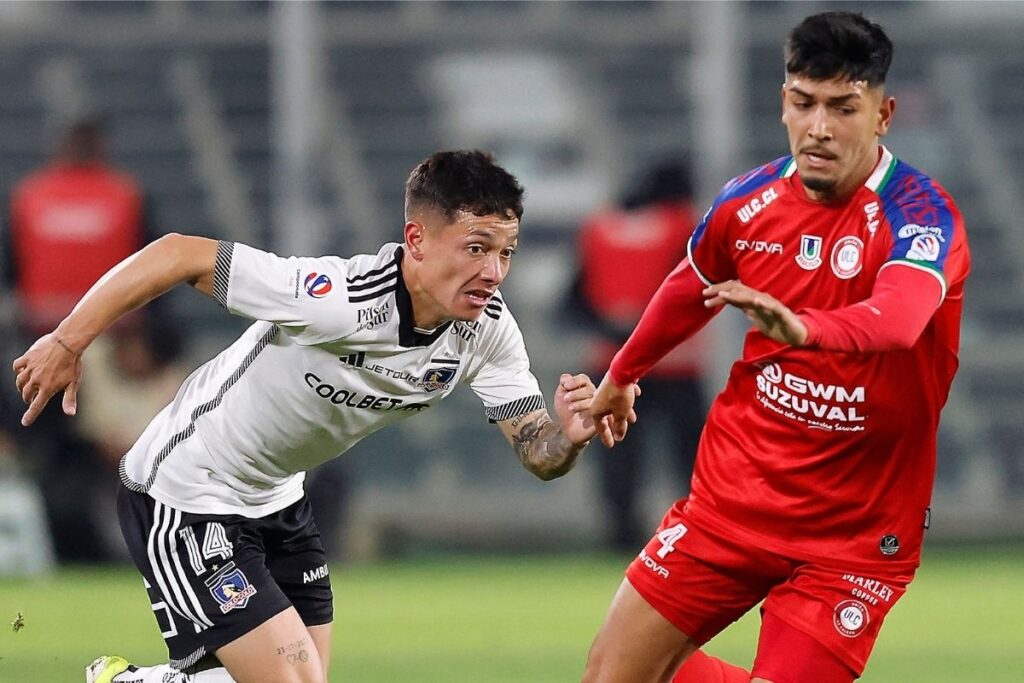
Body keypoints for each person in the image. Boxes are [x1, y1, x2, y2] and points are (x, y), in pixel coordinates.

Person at [13, 150, 617, 683]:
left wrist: (569, 436)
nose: (493, 272)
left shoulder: (487, 332)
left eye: (506, 252)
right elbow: (178, 254)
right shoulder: (335, 299)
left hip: (278, 501)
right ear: (418, 239)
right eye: (476, 248)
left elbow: (536, 449)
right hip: (186, 493)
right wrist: (68, 342)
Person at [583, 12, 969, 683]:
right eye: (804, 103)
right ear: (784, 103)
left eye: (843, 108)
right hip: (732, 502)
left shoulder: (921, 212)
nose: (819, 127)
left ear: (884, 114)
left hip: (853, 534)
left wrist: (806, 328)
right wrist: (623, 373)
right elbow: (691, 283)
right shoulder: (749, 201)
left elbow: (900, 318)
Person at [2, 117, 153, 562]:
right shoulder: (124, 195)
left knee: (52, 450)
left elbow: (11, 275)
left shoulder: (30, 196)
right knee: (118, 449)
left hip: (40, 343)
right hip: (110, 344)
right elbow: (152, 271)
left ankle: (67, 540)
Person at [571, 160, 708, 552]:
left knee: (620, 458)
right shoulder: (684, 225)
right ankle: (698, 532)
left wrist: (612, 327)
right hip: (675, 363)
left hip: (612, 363)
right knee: (692, 457)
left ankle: (621, 536)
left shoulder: (598, 229)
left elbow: (574, 299)